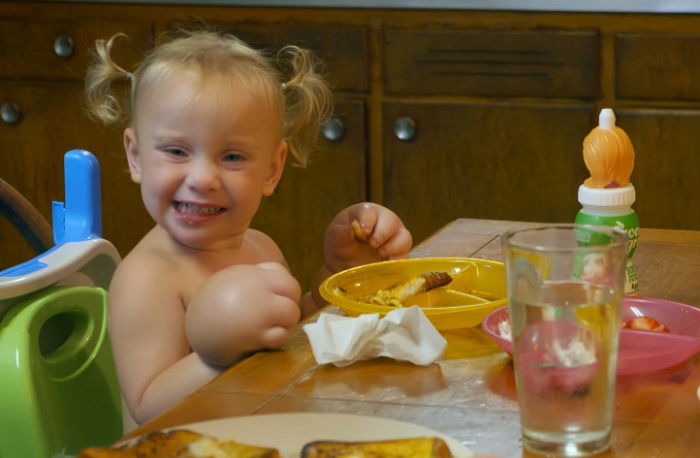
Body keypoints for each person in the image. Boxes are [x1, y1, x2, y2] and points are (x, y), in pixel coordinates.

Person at [85, 28, 412, 424]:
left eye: (233, 156)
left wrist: (340, 275)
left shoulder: (260, 247)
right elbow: (148, 407)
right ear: (136, 157)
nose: (203, 178)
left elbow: (289, 339)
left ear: (272, 170)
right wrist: (213, 358)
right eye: (176, 151)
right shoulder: (146, 278)